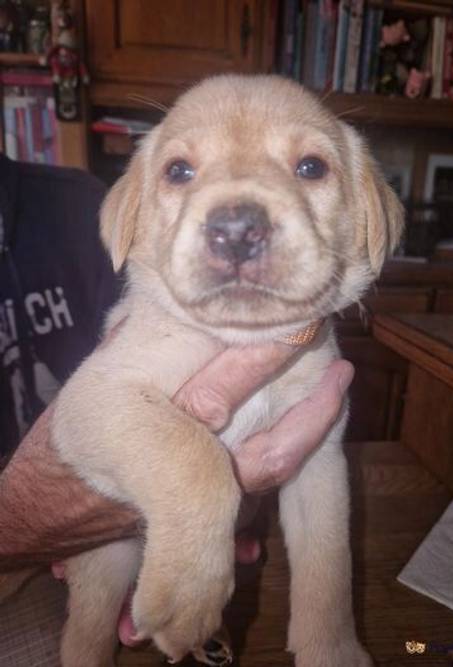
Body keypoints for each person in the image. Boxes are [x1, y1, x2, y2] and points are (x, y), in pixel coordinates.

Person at [0, 154, 353, 665]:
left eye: (310, 167)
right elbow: (101, 409)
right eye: (182, 172)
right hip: (75, 529)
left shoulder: (76, 200)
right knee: (90, 622)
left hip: (193, 539)